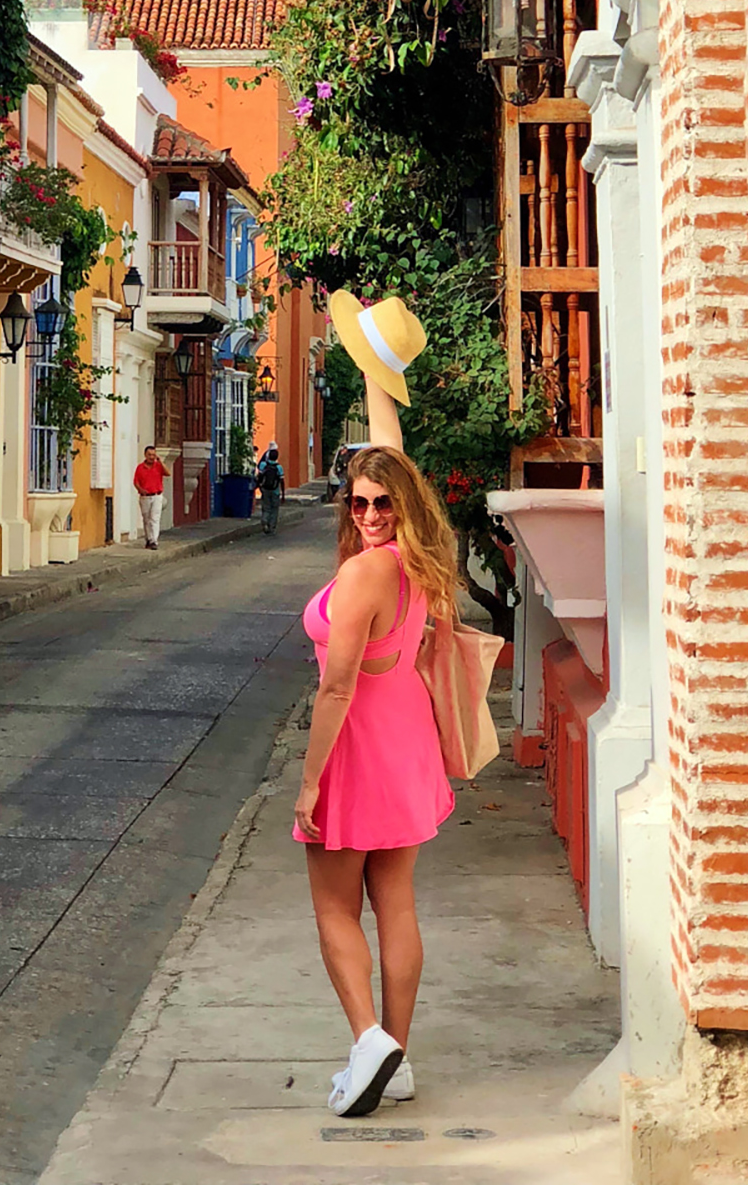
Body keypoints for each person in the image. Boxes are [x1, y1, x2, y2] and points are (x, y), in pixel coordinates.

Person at [295, 291, 456, 1120]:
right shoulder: (417, 559)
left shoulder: (364, 573)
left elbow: (335, 687)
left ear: (398, 508)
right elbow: (392, 458)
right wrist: (375, 371)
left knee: (332, 906)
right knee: (395, 902)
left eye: (377, 504)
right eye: (355, 503)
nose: (365, 514)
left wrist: (309, 783)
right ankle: (400, 1052)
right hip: (409, 748)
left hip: (357, 748)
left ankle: (368, 1042)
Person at [132, 443, 166, 550]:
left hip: (157, 495)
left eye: (153, 455)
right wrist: (141, 490)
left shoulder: (158, 466)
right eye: (149, 454)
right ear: (145, 455)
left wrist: (160, 462)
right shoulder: (140, 468)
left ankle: (153, 541)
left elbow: (167, 473)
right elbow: (136, 482)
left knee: (154, 519)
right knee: (146, 519)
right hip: (145, 497)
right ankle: (148, 539)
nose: (151, 457)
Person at [256, 444, 284, 535]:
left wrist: (259, 486)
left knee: (266, 507)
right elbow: (281, 481)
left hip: (265, 489)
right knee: (274, 508)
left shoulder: (263, 465)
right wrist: (283, 494)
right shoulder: (279, 468)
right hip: (275, 490)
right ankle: (272, 526)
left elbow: (259, 476)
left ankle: (264, 520)